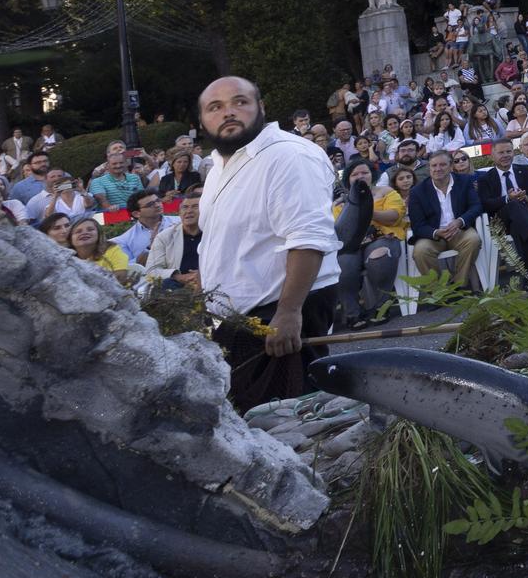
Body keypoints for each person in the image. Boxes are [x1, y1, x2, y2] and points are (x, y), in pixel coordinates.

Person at [194, 76, 342, 411]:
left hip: (281, 307)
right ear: (202, 121)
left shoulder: (288, 155)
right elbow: (215, 243)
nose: (228, 112)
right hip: (240, 316)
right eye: (215, 107)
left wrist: (288, 312)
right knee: (254, 419)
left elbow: (308, 238)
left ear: (261, 107)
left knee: (290, 422)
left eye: (240, 102)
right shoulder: (218, 166)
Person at [476, 135, 528, 280]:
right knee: (513, 205)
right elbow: (485, 204)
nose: (506, 155)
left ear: (514, 152)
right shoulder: (485, 179)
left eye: (508, 152)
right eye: (501, 152)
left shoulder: (525, 170)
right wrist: (507, 198)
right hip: (500, 221)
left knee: (518, 226)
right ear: (492, 156)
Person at [333, 160, 403, 326]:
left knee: (380, 257)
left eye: (364, 172)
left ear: (372, 175)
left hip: (381, 238)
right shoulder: (340, 203)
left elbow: (394, 216)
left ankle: (382, 307)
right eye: (355, 174)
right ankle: (352, 313)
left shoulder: (387, 193)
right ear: (348, 179)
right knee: (342, 266)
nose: (360, 176)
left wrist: (365, 209)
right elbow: (339, 230)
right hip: (351, 246)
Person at [407, 149, 485, 289]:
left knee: (473, 240)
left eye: (442, 165)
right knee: (420, 251)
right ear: (429, 168)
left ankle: (458, 285)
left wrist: (459, 221)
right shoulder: (417, 192)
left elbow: (476, 206)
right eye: (434, 166)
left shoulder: (464, 181)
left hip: (459, 230)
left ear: (450, 166)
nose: (438, 169)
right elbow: (418, 226)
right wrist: (436, 232)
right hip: (433, 235)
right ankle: (439, 292)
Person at [143, 186, 203, 294]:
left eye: (195, 207)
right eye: (185, 207)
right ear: (179, 213)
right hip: (177, 287)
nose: (189, 211)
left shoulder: (217, 234)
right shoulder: (165, 237)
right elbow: (151, 271)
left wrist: (203, 275)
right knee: (165, 285)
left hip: (210, 283)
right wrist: (179, 276)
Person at [113, 190, 172, 265]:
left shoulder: (179, 222)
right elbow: (128, 267)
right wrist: (150, 248)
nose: (157, 205)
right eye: (150, 204)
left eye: (158, 201)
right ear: (136, 213)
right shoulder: (125, 240)